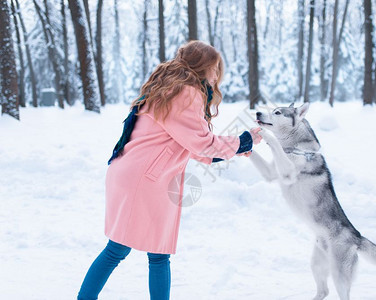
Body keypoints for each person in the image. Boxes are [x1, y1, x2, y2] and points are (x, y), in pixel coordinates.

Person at [77, 40, 262, 300]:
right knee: (123, 250)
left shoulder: (172, 89)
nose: (217, 74)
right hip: (143, 180)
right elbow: (203, 143)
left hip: (135, 174)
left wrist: (234, 149)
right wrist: (246, 140)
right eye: (215, 68)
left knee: (153, 252)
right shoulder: (186, 93)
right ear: (204, 67)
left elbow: (194, 145)